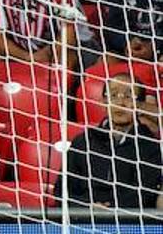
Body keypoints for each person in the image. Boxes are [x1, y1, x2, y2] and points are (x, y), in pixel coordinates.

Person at [61, 72, 163, 209]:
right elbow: (61, 191)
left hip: (130, 224)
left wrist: (109, 208)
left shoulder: (151, 147)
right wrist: (88, 207)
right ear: (104, 102)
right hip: (82, 220)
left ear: (140, 105)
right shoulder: (83, 142)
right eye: (113, 96)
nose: (120, 103)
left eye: (128, 97)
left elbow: (147, 194)